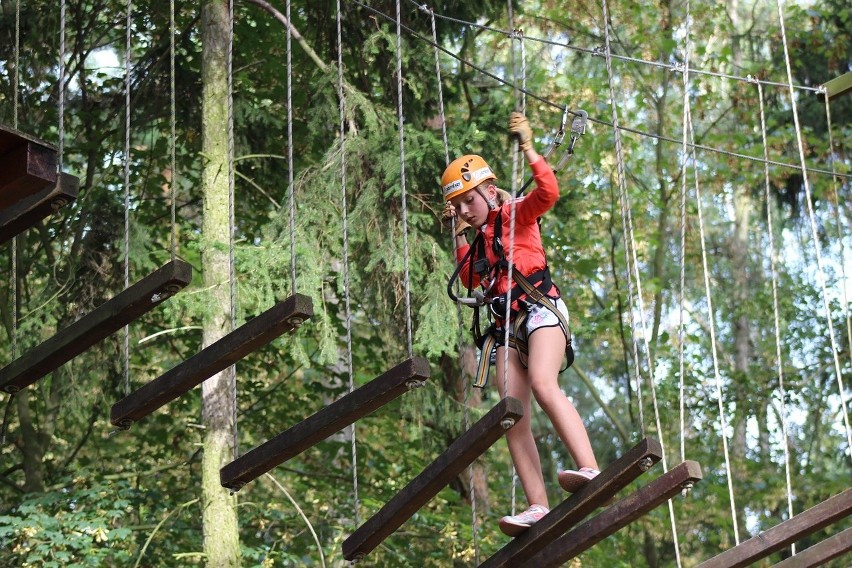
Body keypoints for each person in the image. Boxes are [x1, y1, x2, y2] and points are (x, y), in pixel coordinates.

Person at [441, 112, 601, 536]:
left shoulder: (517, 214)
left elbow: (548, 192)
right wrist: (458, 233)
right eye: (457, 205)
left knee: (545, 384)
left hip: (540, 309)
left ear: (489, 190)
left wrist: (529, 147)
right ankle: (537, 505)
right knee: (511, 414)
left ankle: (589, 467)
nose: (463, 209)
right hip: (507, 327)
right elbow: (471, 279)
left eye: (468, 201)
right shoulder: (480, 237)